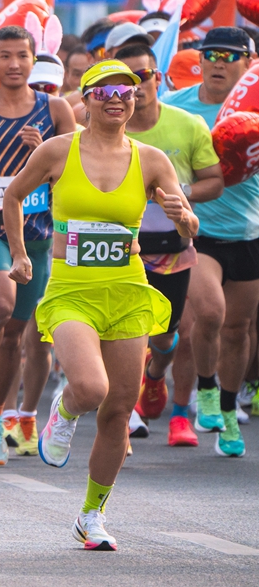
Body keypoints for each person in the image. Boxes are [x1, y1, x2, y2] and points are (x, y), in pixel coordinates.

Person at [5, 59, 195, 550]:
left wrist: (182, 217)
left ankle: (92, 515)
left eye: (127, 90)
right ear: (85, 99)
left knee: (118, 409)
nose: (117, 97)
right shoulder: (57, 151)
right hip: (72, 292)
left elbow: (188, 227)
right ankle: (63, 412)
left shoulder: (151, 159)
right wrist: (22, 255)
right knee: (90, 387)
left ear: (136, 99)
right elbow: (12, 196)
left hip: (129, 292)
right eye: (104, 90)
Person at [0, 25, 76, 465]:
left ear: (33, 59)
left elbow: (74, 170)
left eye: (23, 56)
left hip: (38, 235)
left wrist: (45, 151)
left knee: (15, 336)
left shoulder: (55, 109)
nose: (15, 65)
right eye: (5, 56)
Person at [117, 44, 223, 446]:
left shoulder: (187, 124)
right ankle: (131, 416)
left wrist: (180, 193)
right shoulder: (102, 127)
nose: (132, 89)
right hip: (121, 248)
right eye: (121, 82)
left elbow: (215, 180)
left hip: (172, 247)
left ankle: (158, 379)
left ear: (157, 78)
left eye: (141, 77)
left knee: (168, 336)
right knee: (125, 334)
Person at [160, 27, 258, 456]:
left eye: (230, 56)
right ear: (198, 60)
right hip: (196, 231)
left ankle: (227, 409)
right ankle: (202, 391)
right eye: (211, 54)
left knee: (237, 330)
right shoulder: (176, 110)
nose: (219, 62)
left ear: (248, 64)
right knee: (210, 315)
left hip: (248, 233)